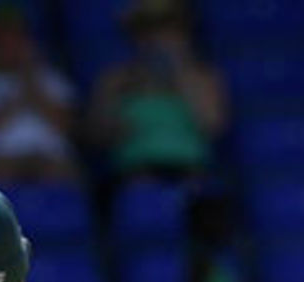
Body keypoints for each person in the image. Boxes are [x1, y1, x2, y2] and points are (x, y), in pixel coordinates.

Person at [88, 0, 229, 181]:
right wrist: (116, 120)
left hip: (191, 174)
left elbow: (213, 125)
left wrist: (181, 75)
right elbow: (96, 134)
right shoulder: (115, 80)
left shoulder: (204, 77)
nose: (159, 39)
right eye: (149, 30)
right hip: (135, 174)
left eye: (169, 30)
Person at [0, 4, 79, 182]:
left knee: (65, 174)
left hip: (45, 164)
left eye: (14, 37)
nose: (7, 44)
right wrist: (15, 102)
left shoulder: (51, 80)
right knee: (3, 172)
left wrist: (29, 79)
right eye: (0, 38)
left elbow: (65, 127)